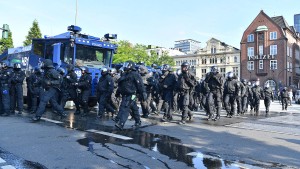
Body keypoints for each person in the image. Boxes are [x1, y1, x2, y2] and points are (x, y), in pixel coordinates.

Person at [114, 60, 147, 130]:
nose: (126, 66)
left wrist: (143, 93)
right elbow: (121, 85)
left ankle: (121, 123)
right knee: (133, 108)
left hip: (132, 94)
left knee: (126, 107)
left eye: (127, 65)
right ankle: (138, 121)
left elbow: (140, 85)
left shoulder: (135, 74)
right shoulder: (125, 74)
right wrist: (118, 92)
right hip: (125, 94)